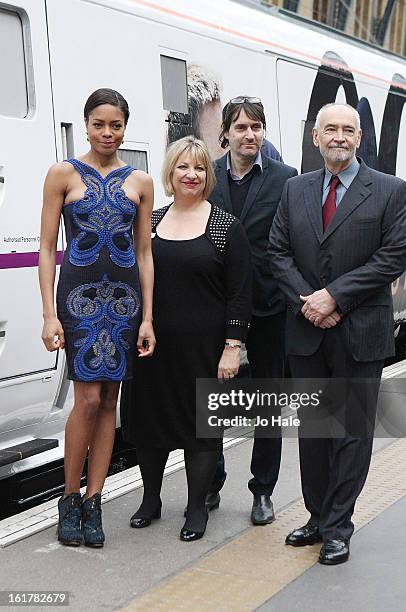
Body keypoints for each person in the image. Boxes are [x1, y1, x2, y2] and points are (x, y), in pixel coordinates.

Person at [268, 103, 406, 564]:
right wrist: (310, 303)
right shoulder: (295, 190)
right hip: (308, 329)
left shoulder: (389, 190)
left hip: (360, 330)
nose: (339, 137)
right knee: (313, 430)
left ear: (360, 138)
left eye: (348, 130)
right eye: (331, 129)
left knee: (349, 432)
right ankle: (317, 515)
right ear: (315, 137)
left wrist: (334, 297)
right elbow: (278, 253)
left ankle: (338, 526)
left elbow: (392, 258)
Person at [39, 88, 155, 547]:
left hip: (125, 303)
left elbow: (144, 252)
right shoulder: (61, 174)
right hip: (79, 300)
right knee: (86, 400)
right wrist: (49, 314)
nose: (107, 133)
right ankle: (69, 499)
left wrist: (147, 317)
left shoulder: (141, 181)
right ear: (85, 125)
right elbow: (48, 248)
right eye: (99, 124)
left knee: (111, 401)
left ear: (125, 127)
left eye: (116, 125)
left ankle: (95, 500)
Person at [122, 136, 252, 541]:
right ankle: (151, 499)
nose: (191, 175)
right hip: (153, 344)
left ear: (207, 175)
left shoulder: (224, 226)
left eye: (199, 168)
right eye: (183, 167)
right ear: (170, 173)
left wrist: (233, 347)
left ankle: (197, 508)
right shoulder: (151, 221)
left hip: (204, 348)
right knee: (148, 424)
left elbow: (240, 292)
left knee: (201, 430)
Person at [208, 97, 297, 525]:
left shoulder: (286, 179)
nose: (249, 135)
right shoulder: (205, 175)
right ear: (225, 132)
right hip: (215, 302)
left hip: (269, 305)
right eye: (241, 127)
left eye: (256, 127)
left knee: (266, 400)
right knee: (211, 395)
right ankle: (210, 478)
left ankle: (263, 490)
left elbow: (294, 240)